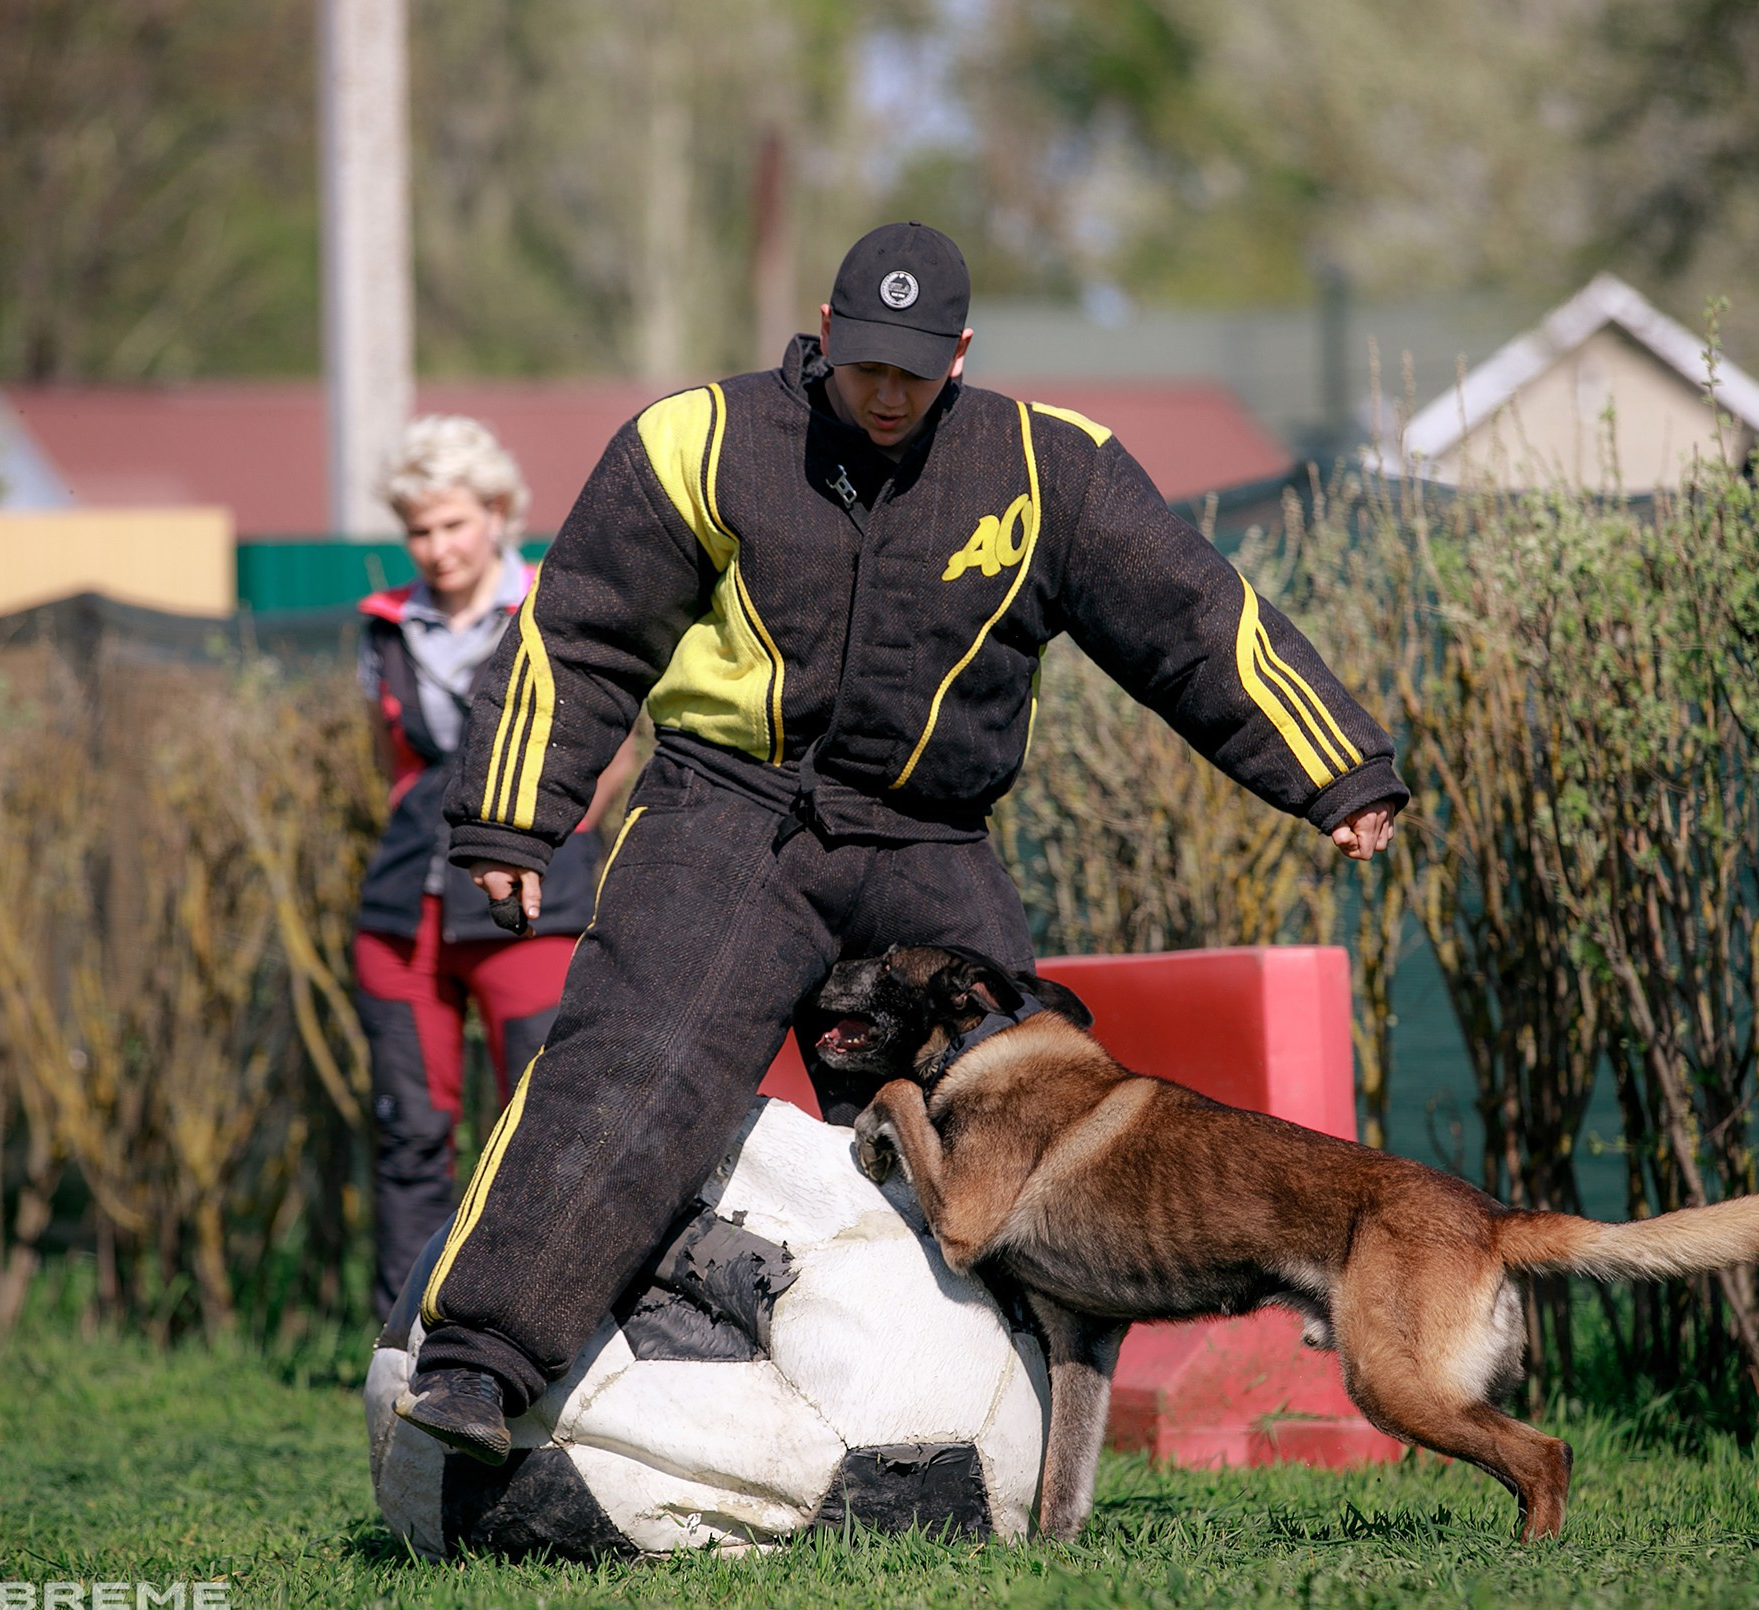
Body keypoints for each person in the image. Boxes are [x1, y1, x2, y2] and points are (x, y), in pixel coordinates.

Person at [395, 223, 1405, 1457]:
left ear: (960, 355)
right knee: (631, 1066)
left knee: (1018, 1120)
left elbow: (1193, 621)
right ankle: (478, 1369)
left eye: (913, 373)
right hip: (728, 814)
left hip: (931, 842)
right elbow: (581, 631)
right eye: (865, 363)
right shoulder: (698, 441)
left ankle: (1008, 1445)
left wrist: (1334, 769)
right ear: (826, 331)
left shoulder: (1051, 470)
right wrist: (513, 816)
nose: (885, 393)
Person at [351, 415, 632, 1319]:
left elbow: (614, 746)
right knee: (409, 1133)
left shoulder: (557, 604)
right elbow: (395, 764)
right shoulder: (383, 627)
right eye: (419, 530)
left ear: (499, 513)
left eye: (454, 524)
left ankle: (533, 1331)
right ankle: (403, 1343)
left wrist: (546, 837)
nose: (437, 548)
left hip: (531, 906)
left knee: (540, 1131)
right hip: (404, 915)